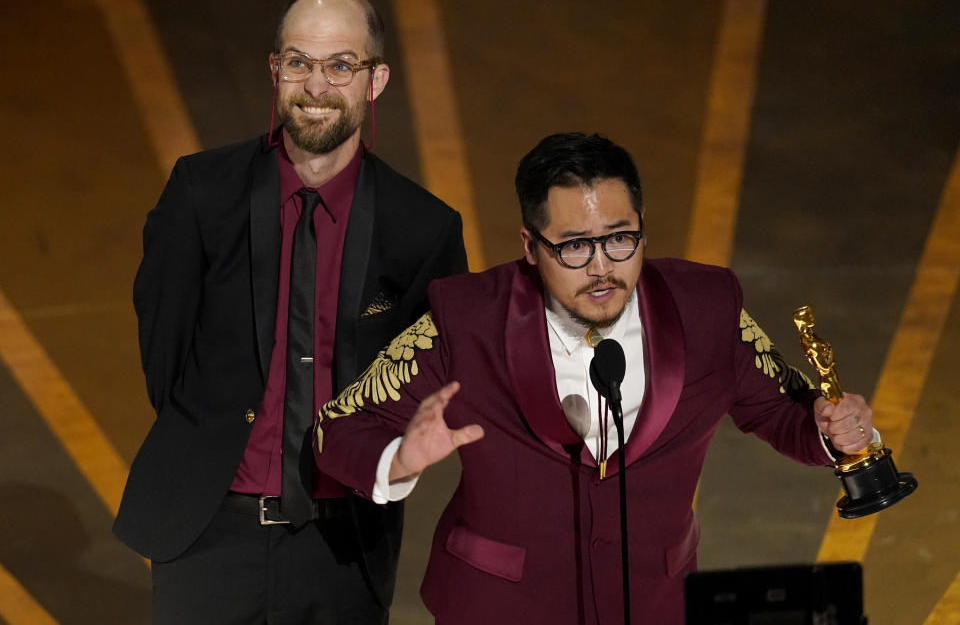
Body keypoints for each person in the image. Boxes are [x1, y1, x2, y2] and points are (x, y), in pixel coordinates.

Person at [314, 132, 876, 624]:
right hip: (498, 611)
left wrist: (838, 433)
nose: (603, 267)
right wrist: (400, 460)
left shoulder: (707, 309)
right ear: (531, 247)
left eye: (619, 238)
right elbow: (337, 427)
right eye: (575, 246)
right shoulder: (465, 320)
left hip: (656, 605)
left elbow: (782, 412)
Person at [114, 0, 468, 624]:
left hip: (344, 545)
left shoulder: (424, 230)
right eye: (299, 62)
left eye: (341, 66)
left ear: (376, 79)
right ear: (276, 69)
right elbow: (162, 356)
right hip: (205, 536)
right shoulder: (200, 195)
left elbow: (422, 386)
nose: (316, 84)